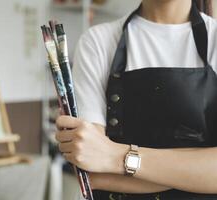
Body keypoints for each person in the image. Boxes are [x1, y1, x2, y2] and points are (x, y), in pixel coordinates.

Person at [55, 0, 217, 199]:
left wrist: (115, 156)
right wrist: (199, 171)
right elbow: (93, 173)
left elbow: (102, 161)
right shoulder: (98, 42)